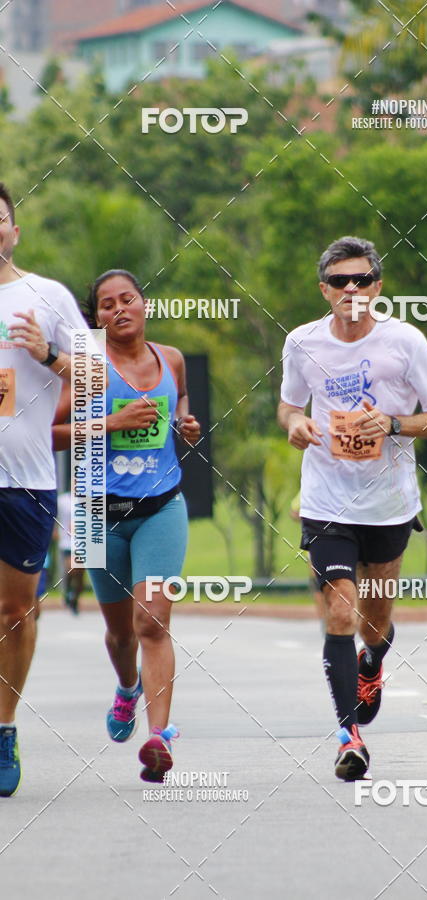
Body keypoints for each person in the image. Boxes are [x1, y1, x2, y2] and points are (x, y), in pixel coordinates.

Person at [277, 235, 427, 781]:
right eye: (338, 281)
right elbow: (287, 406)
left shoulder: (406, 343)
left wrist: (395, 424)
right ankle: (347, 736)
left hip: (389, 505)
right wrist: (297, 424)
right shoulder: (302, 343)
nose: (350, 290)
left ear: (377, 286)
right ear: (323, 289)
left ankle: (372, 663)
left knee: (373, 624)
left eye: (361, 280)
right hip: (328, 500)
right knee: (339, 612)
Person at [53, 269, 200, 782]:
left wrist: (185, 421)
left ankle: (159, 737)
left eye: (128, 299)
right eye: (107, 304)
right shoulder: (89, 368)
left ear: (144, 305)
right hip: (98, 513)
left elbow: (179, 403)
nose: (119, 309)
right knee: (120, 635)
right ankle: (127, 687)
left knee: (152, 620)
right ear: (96, 317)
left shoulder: (171, 359)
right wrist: (111, 423)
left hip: (162, 506)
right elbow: (47, 432)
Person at [0, 182, 90, 797]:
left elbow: (96, 372)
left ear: (14, 229)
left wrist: (49, 352)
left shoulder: (44, 296)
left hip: (24, 481)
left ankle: (3, 729)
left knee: (15, 611)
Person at [289, 489, 326, 629]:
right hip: (315, 540)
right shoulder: (311, 485)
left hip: (343, 540)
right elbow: (294, 511)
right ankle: (325, 622)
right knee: (318, 584)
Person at [56, 490, 85, 614]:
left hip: (84, 541)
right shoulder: (62, 500)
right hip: (67, 541)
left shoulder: (89, 498)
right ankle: (67, 591)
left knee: (80, 572)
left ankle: (75, 599)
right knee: (71, 568)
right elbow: (53, 515)